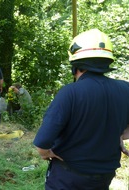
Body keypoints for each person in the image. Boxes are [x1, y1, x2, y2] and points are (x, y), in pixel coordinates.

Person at [33, 29, 129, 190]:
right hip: (105, 175)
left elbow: (42, 144)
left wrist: (46, 154)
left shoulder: (69, 93)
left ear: (75, 65)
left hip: (68, 176)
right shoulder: (125, 89)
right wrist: (118, 134)